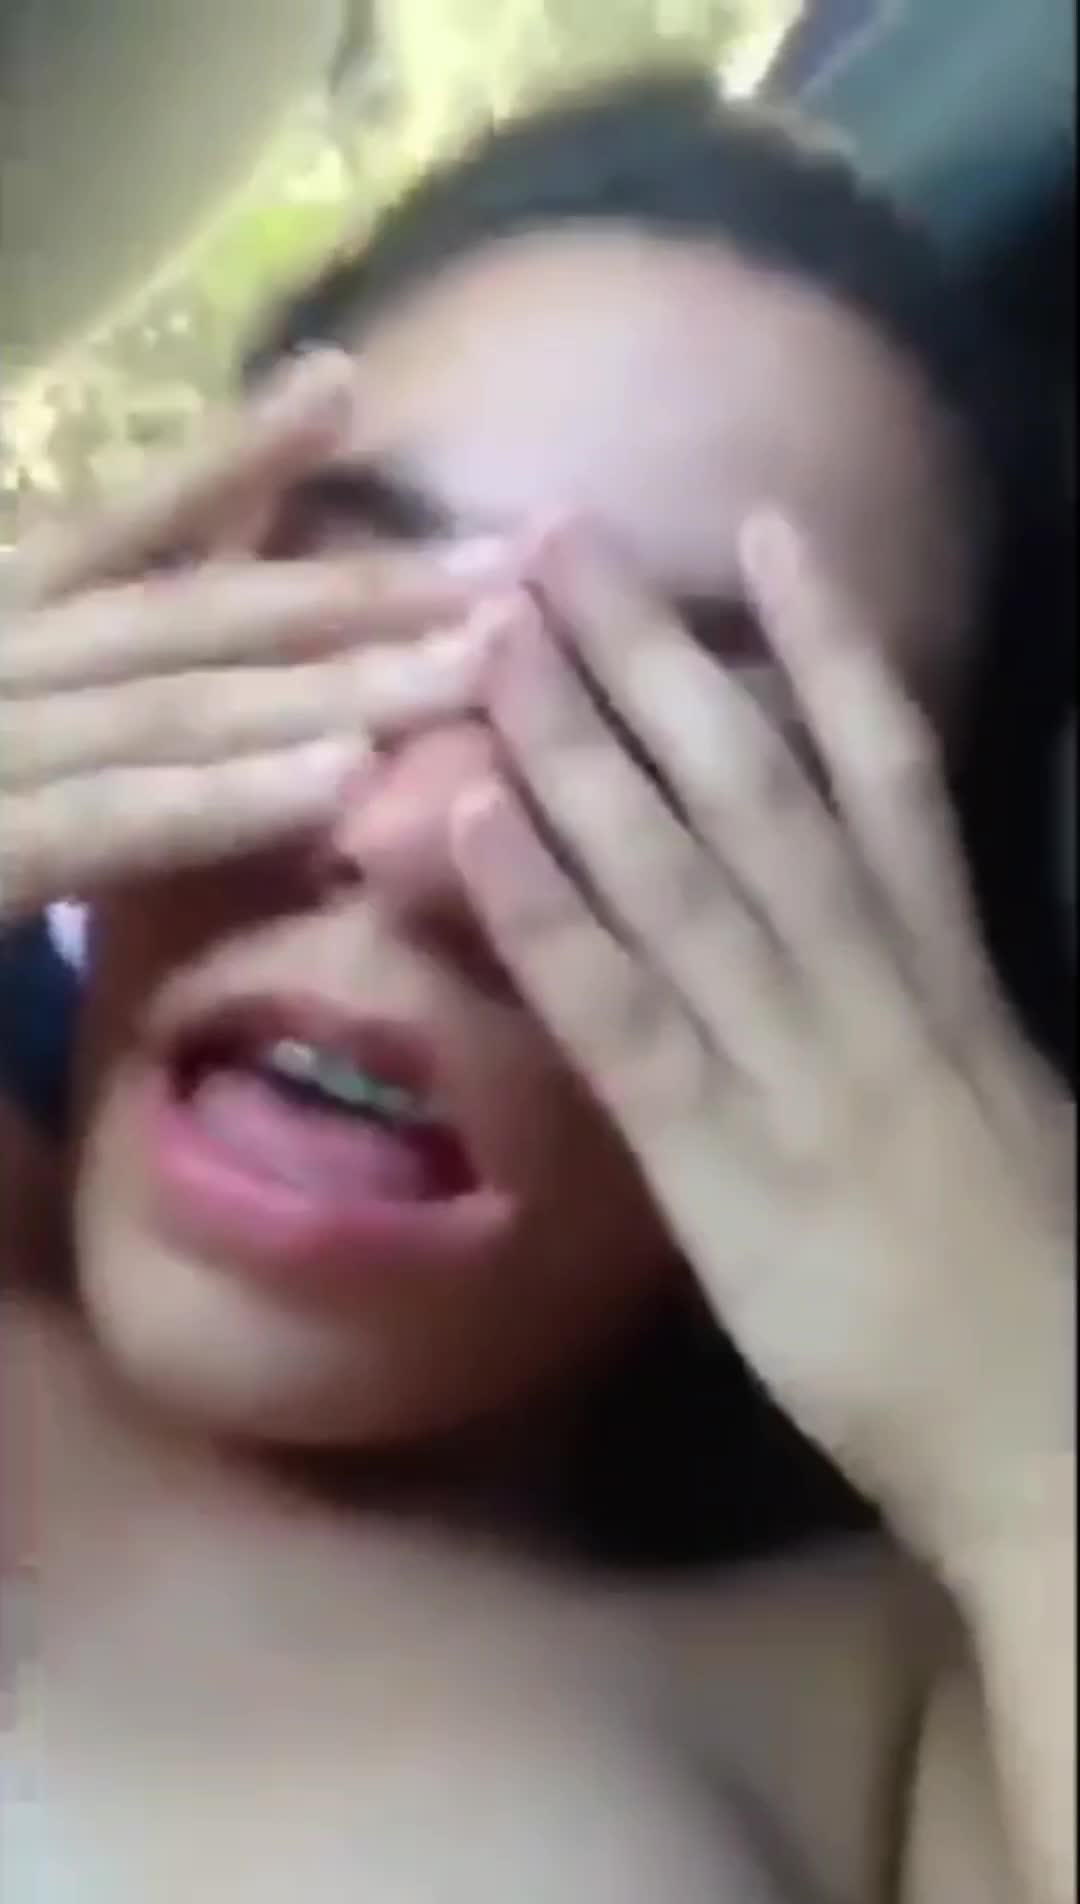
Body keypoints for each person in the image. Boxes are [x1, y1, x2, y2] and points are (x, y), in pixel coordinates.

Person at [1, 72, 1073, 1903]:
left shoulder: (886, 1724)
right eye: (341, 634)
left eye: (667, 776)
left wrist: (1030, 1413)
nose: (423, 841)